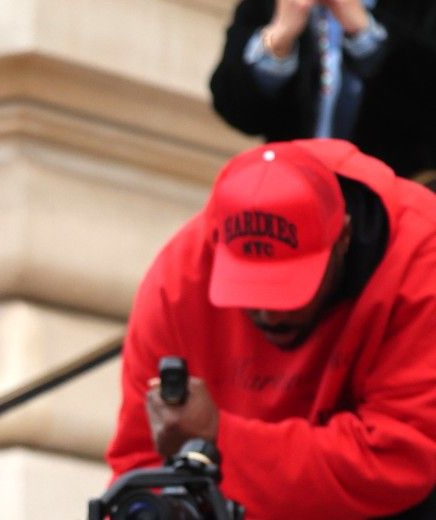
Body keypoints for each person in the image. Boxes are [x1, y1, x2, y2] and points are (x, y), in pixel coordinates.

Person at [106, 139, 436, 519]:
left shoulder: (419, 255)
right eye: (247, 287)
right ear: (218, 246)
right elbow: (138, 470)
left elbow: (400, 460)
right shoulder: (178, 281)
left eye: (288, 289)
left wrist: (219, 438)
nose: (269, 314)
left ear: (342, 239)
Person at [210, 0, 436, 183]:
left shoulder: (418, 8)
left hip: (394, 202)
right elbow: (231, 103)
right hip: (293, 194)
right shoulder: (270, 4)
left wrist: (364, 33)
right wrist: (277, 39)